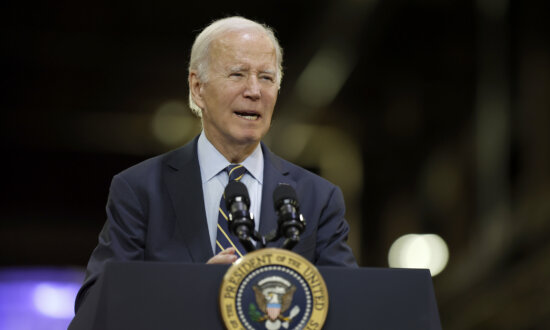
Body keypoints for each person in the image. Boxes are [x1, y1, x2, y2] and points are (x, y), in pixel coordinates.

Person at [74, 16, 356, 312]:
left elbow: (350, 307)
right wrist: (193, 291)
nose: (254, 91)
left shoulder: (318, 199)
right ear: (197, 88)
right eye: (237, 74)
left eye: (266, 77)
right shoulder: (140, 190)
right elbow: (95, 304)